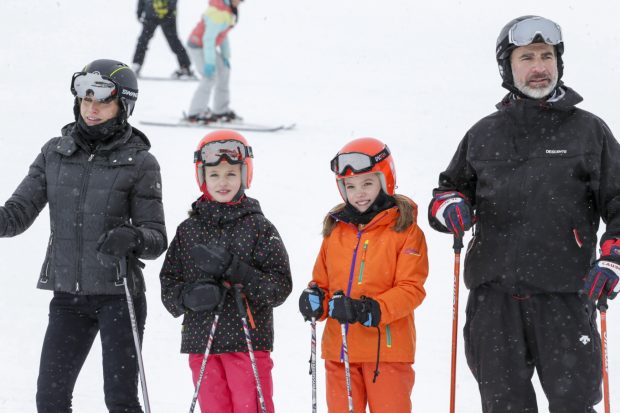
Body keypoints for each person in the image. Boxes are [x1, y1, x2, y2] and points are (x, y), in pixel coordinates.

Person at [428, 15, 620, 412]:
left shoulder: (588, 132)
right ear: (507, 67)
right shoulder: (484, 134)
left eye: (547, 56)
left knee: (574, 404)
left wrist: (613, 258)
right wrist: (451, 206)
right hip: (494, 304)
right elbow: (447, 191)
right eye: (527, 57)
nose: (539, 67)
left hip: (565, 299)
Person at [0, 59, 167, 412]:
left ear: (124, 106)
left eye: (102, 100)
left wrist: (132, 237)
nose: (91, 108)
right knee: (50, 399)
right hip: (68, 299)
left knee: (120, 400)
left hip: (119, 297)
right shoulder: (55, 153)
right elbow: (15, 216)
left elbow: (156, 237)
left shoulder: (140, 163)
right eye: (85, 98)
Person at [159, 129, 292, 412]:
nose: (222, 182)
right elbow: (169, 284)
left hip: (247, 344)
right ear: (202, 177)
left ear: (245, 175)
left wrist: (239, 272)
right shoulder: (188, 230)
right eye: (214, 175)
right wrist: (189, 297)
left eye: (231, 174)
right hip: (202, 343)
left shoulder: (259, 228)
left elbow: (279, 287)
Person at [299, 137, 429, 413]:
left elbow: (411, 288)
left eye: (367, 183)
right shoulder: (336, 230)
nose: (359, 193)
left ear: (386, 180)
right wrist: (315, 299)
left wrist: (370, 309)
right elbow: (321, 282)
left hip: (386, 354)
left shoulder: (405, 231)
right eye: (350, 186)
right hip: (339, 353)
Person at [185, 0, 242, 123]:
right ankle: (195, 113)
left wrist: (225, 56)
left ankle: (220, 110)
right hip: (198, 46)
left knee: (224, 70)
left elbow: (223, 35)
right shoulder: (217, 13)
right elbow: (208, 39)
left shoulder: (228, 11)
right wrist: (209, 63)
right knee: (209, 77)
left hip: (207, 46)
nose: (241, 2)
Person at [133, 0, 193, 79]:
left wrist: (168, 9)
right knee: (143, 41)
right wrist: (139, 11)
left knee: (174, 42)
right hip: (152, 15)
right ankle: (136, 65)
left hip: (167, 16)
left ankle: (185, 67)